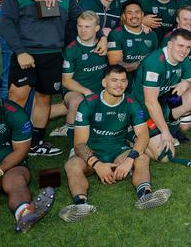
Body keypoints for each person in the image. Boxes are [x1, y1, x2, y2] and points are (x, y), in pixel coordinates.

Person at [0, 0, 98, 156]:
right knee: (17, 98)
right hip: (26, 54)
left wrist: (103, 36)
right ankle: (9, 142)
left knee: (44, 99)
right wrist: (20, 52)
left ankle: (35, 143)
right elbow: (7, 25)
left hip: (53, 54)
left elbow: (81, 18)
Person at [59, 65, 172, 222]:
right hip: (91, 151)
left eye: (123, 80)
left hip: (117, 149)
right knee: (72, 166)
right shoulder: (88, 103)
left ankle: (145, 195)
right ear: (104, 82)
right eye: (114, 80)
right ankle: (81, 204)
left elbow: (143, 136)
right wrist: (97, 165)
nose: (119, 84)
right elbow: (79, 144)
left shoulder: (132, 103)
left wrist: (129, 160)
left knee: (142, 158)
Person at [0, 68, 55, 233]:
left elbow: (21, 150)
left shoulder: (15, 113)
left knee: (14, 182)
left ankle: (25, 213)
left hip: (10, 163)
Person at [130, 29, 191, 161]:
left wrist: (185, 84)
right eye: (180, 46)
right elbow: (150, 102)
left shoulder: (184, 59)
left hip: (165, 104)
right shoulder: (154, 63)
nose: (184, 51)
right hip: (143, 111)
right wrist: (165, 132)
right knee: (165, 156)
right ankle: (132, 137)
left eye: (188, 47)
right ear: (170, 45)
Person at [58, 12, 109, 144]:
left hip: (101, 90)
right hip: (76, 91)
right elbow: (66, 81)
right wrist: (87, 92)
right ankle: (73, 147)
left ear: (97, 29)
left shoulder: (104, 45)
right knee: (76, 102)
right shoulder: (71, 49)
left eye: (87, 27)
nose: (82, 30)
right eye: (80, 26)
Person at [107, 0, 158, 83]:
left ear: (142, 14)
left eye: (137, 12)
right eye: (129, 13)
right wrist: (140, 63)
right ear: (124, 16)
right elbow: (115, 66)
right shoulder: (116, 34)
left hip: (145, 83)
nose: (134, 16)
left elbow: (155, 61)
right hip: (124, 84)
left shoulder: (151, 34)